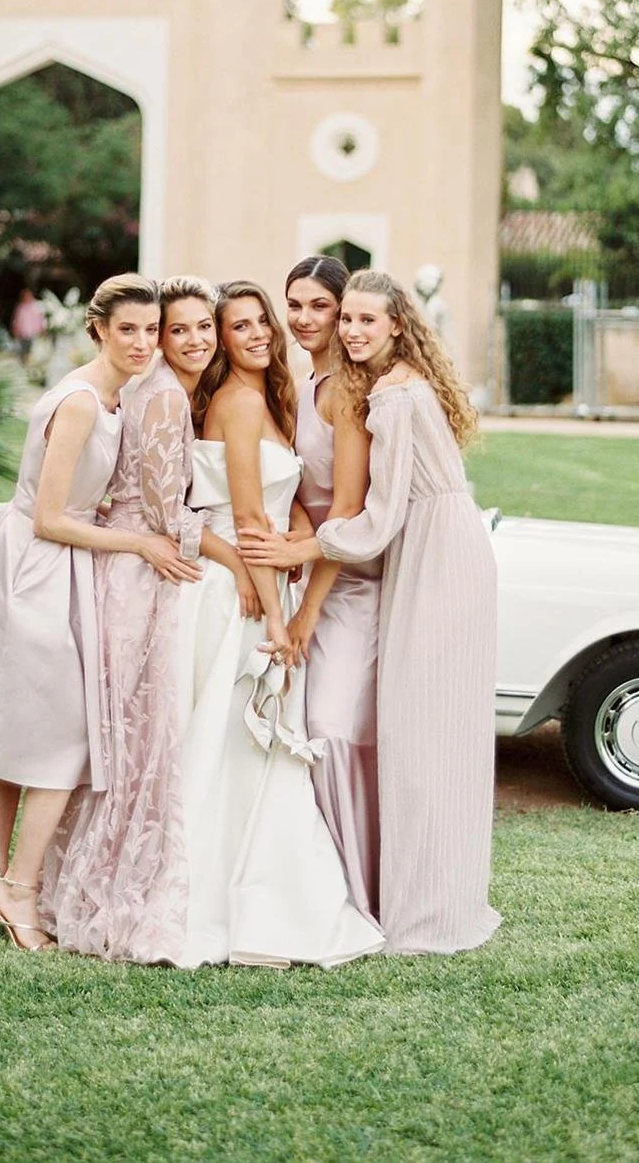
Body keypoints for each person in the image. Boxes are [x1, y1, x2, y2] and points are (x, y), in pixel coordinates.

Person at [0, 274, 201, 951]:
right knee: (68, 731)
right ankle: (18, 888)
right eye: (127, 329)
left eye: (151, 330)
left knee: (19, 720)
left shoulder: (114, 397)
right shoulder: (79, 402)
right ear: (97, 329)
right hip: (37, 566)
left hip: (54, 559)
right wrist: (140, 541)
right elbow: (49, 517)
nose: (143, 342)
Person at [41, 277, 260, 962]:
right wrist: (239, 561)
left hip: (142, 565)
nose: (193, 339)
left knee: (134, 733)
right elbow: (170, 516)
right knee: (137, 735)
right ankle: (119, 888)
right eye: (177, 329)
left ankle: (94, 877)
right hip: (142, 574)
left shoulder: (166, 390)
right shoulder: (165, 395)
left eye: (203, 327)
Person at [172, 279, 384, 967]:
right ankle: (210, 897)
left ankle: (259, 888)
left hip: (269, 580)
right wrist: (275, 620)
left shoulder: (267, 396)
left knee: (252, 748)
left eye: (262, 320)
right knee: (229, 741)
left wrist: (295, 535)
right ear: (222, 340)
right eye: (240, 326)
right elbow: (244, 517)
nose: (259, 333)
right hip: (239, 596)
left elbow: (281, 497)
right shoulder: (237, 403)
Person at [314, 269, 501, 956]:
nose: (352, 331)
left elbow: (383, 515)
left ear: (397, 325)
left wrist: (312, 544)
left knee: (421, 736)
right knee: (444, 732)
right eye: (347, 319)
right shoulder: (410, 381)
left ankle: (424, 915)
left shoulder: (392, 395)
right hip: (451, 547)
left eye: (367, 319)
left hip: (434, 559)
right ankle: (442, 898)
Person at [239, 256, 382, 920]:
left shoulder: (348, 391)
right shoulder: (304, 383)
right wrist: (295, 526)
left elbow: (347, 513)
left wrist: (308, 614)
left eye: (319, 306)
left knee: (329, 726)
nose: (302, 318)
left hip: (349, 584)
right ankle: (315, 885)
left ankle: (359, 889)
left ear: (343, 310)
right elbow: (303, 486)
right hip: (307, 577)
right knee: (299, 726)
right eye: (293, 305)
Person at [10, 287, 46, 365]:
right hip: (22, 334)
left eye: (28, 295)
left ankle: (32, 366)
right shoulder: (20, 307)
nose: (26, 297)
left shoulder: (37, 306)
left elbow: (42, 320)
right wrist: (15, 330)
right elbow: (16, 320)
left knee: (33, 353)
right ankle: (24, 366)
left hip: (34, 333)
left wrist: (43, 330)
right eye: (24, 295)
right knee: (22, 352)